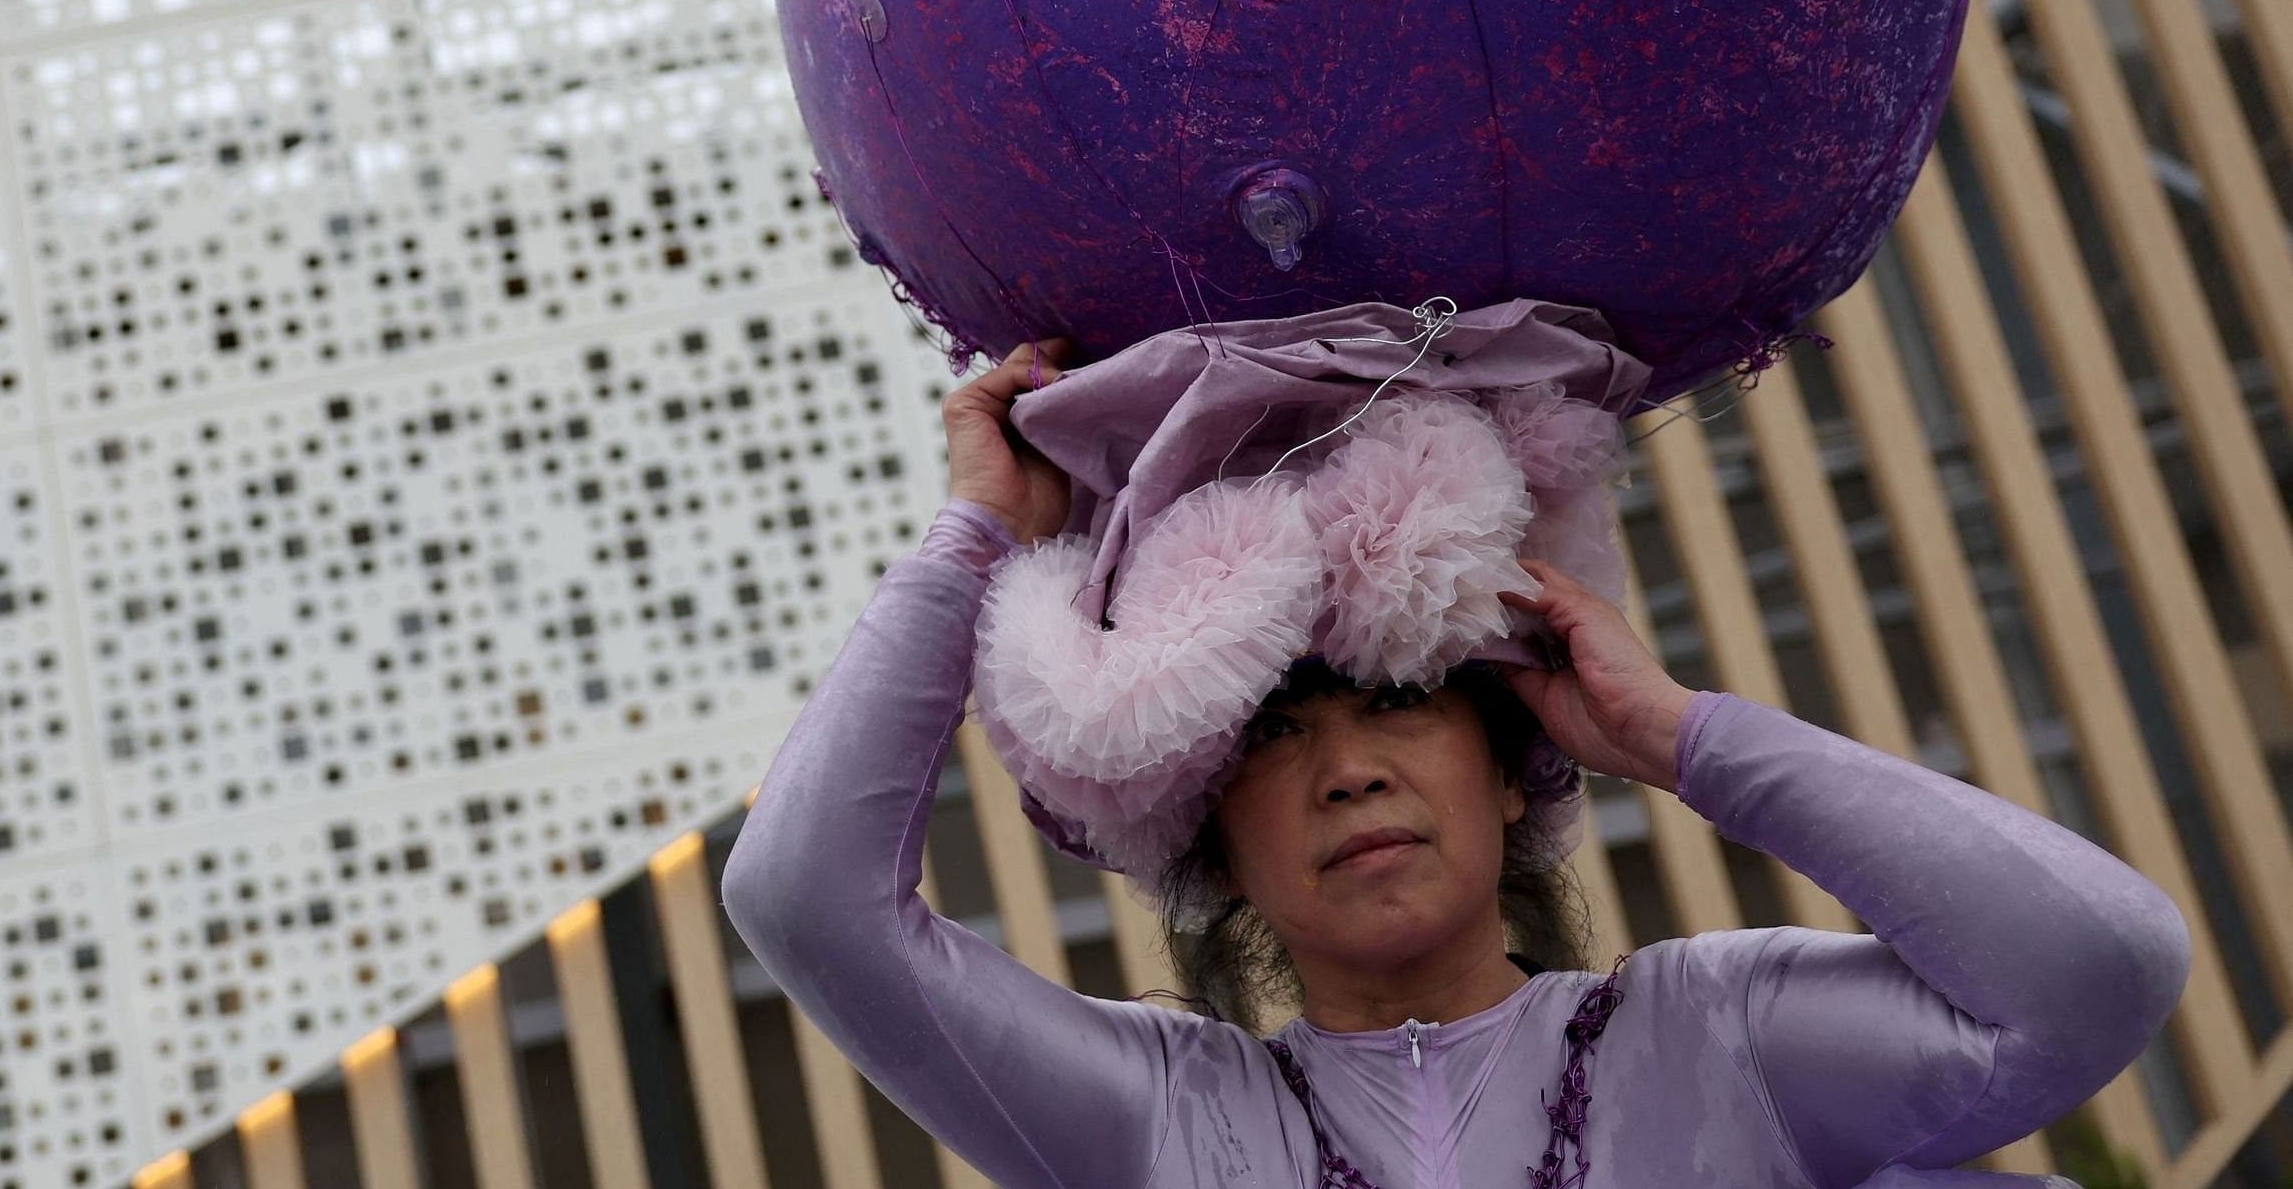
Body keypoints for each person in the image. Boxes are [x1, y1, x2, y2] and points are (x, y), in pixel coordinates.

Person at [720, 340, 2192, 1189]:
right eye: (1274, 736)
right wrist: (981, 530)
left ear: (1511, 769)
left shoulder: (1716, 1032)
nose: (1348, 770)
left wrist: (1685, 738)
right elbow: (804, 895)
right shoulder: (1163, 1117)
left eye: (1398, 703)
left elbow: (2097, 972)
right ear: (1209, 840)